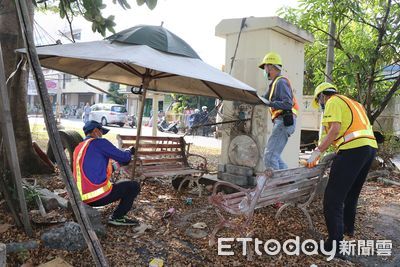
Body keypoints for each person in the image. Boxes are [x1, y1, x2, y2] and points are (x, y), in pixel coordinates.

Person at [306, 82, 377, 257]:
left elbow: (335, 130)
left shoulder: (333, 101)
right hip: (369, 149)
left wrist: (317, 151)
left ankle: (334, 247)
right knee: (351, 193)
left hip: (353, 150)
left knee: (332, 199)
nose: (321, 105)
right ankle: (347, 229)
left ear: (322, 96)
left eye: (319, 101)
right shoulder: (354, 104)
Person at [73, 120, 141, 226]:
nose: (102, 135)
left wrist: (118, 165)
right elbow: (125, 158)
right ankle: (117, 217)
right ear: (95, 131)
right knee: (133, 186)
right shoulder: (99, 143)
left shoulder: (79, 147)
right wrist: (129, 151)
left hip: (80, 197)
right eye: (101, 132)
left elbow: (96, 168)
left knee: (121, 185)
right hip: (97, 197)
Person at [258, 52, 299, 170]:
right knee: (275, 158)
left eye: (265, 67)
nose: (264, 70)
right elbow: (262, 99)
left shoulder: (281, 82)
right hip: (282, 122)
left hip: (284, 121)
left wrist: (269, 103)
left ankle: (278, 186)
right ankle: (289, 182)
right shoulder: (274, 83)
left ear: (271, 67)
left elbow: (287, 104)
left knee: (270, 157)